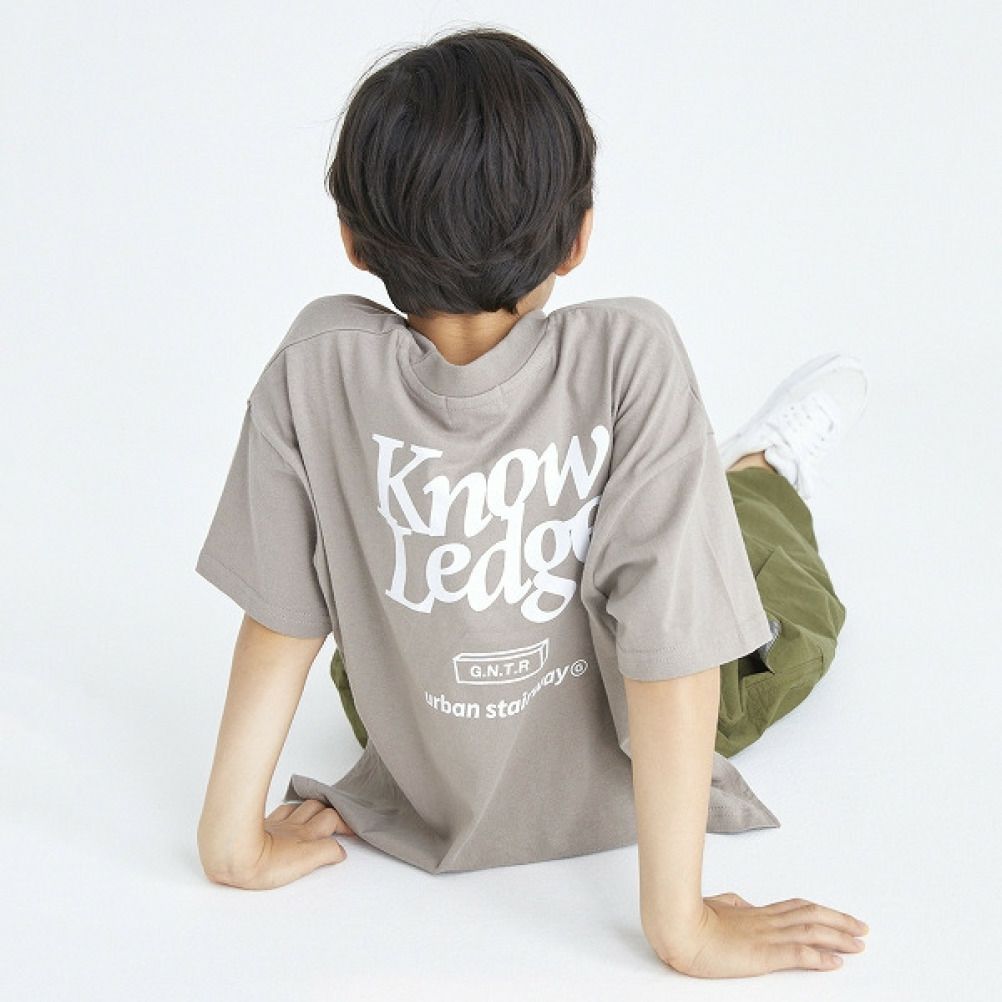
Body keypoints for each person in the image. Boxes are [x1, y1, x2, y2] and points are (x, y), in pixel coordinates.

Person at [193, 26, 870, 979]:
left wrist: (232, 839)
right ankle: (756, 473)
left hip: (423, 723)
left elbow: (283, 612)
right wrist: (681, 926)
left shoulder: (315, 363)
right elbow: (674, 644)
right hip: (618, 743)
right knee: (786, 619)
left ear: (350, 240)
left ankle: (745, 469)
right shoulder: (628, 355)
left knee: (390, 622)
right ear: (581, 236)